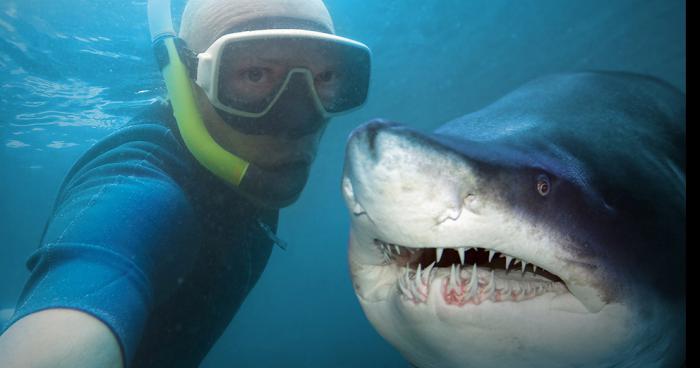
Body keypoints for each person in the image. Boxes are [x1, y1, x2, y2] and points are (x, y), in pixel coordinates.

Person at [0, 0, 371, 366]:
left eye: (326, 76)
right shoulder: (141, 190)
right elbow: (99, 259)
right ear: (186, 77)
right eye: (255, 74)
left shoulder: (245, 163)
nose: (297, 120)